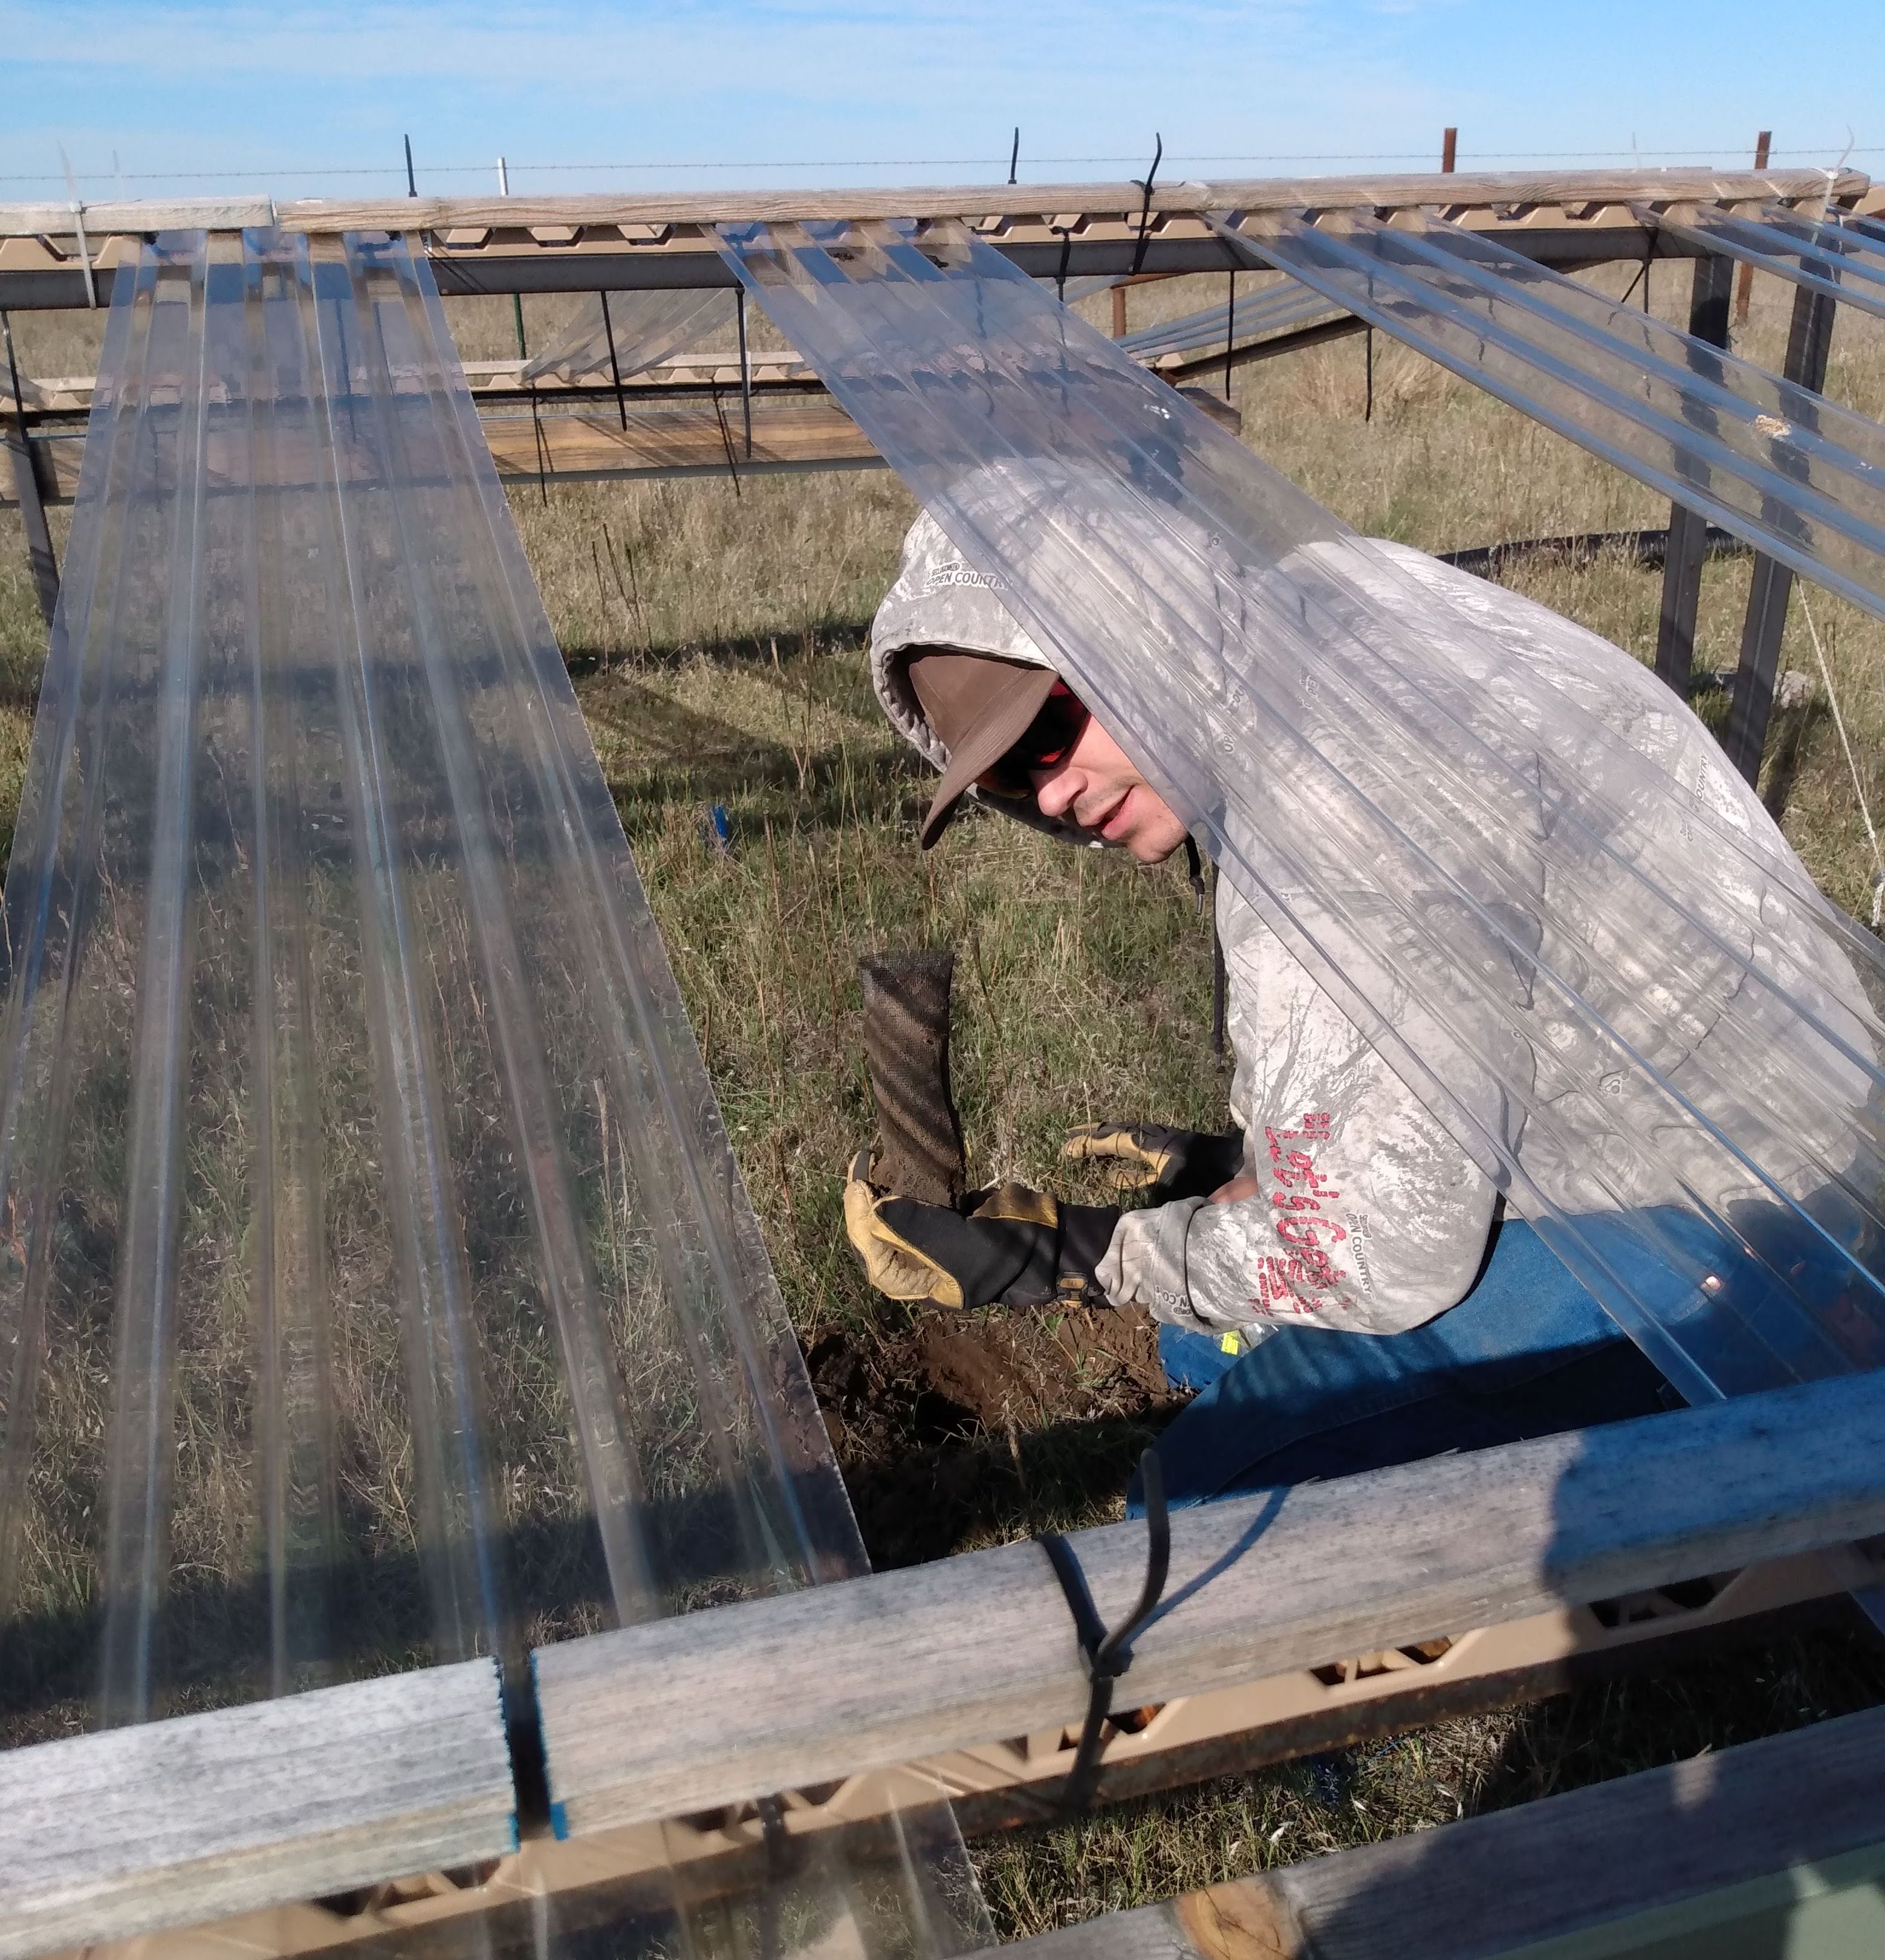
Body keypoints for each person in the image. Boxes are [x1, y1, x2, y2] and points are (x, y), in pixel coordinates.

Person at [843, 509, 1880, 1508]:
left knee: (1203, 1507)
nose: (1054, 792)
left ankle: (1739, 1466)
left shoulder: (1337, 800)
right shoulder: (1321, 619)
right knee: (1204, 1334)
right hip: (1671, 1137)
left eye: (1052, 727)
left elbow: (1387, 1254)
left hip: (1753, 1235)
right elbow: (1435, 1025)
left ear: (1134, 626)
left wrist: (1080, 1255)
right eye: (1011, 778)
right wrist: (1241, 1170)